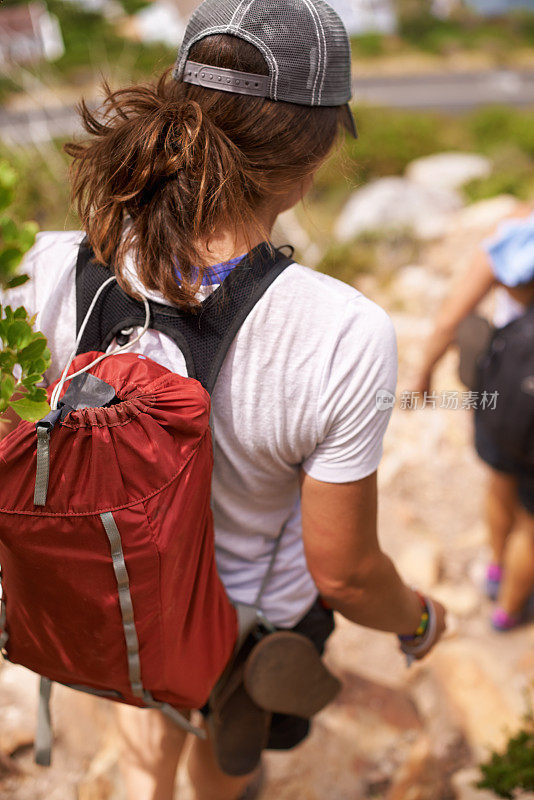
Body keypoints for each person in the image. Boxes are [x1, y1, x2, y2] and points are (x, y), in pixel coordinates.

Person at [1, 1, 446, 798]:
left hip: (110, 593)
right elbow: (342, 574)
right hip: (241, 627)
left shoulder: (43, 266)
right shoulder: (341, 332)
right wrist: (416, 620)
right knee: (224, 752)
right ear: (312, 157)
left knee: (148, 694)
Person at [414, 205, 534, 633]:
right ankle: (508, 611)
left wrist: (423, 373)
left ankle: (498, 569)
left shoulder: (518, 225)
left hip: (507, 393)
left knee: (501, 481)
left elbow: (451, 317)